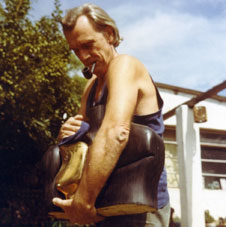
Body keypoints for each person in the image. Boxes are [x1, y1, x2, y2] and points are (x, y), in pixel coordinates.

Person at [52, 3, 170, 226]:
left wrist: (83, 203)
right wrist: (67, 135)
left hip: (137, 206)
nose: (83, 56)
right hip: (102, 205)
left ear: (110, 34)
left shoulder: (125, 66)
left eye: (88, 45)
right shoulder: (90, 87)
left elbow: (116, 133)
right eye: (75, 50)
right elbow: (83, 147)